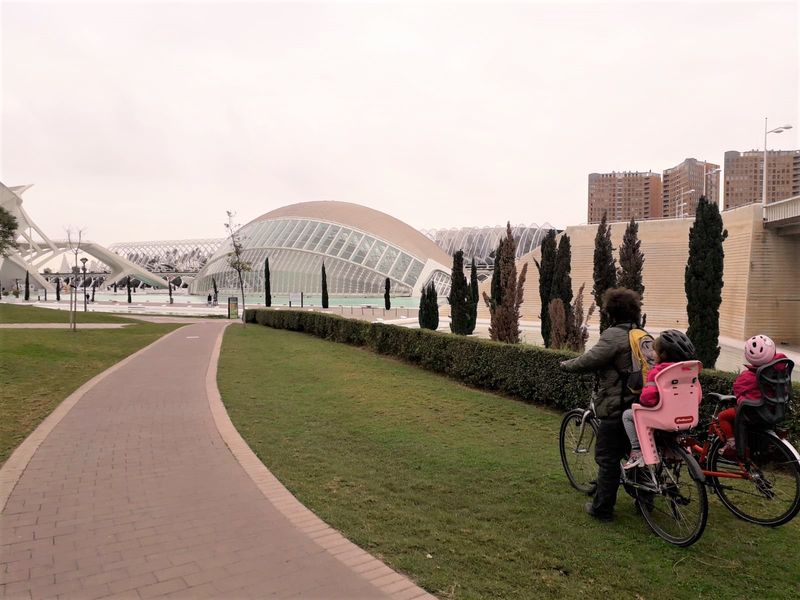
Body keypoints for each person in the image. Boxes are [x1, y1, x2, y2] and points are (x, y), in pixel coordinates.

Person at [559, 287, 643, 522]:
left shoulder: (613, 335)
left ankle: (602, 508)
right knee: (635, 453)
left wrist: (567, 365)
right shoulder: (641, 334)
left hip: (616, 406)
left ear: (611, 312)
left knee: (607, 458)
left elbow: (591, 359)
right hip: (640, 406)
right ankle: (644, 501)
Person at [622, 330, 696, 469]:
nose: (651, 354)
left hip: (662, 417)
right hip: (686, 418)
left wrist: (643, 401)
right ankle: (672, 450)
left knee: (628, 415)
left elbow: (648, 399)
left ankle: (637, 451)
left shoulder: (657, 372)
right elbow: (697, 397)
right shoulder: (689, 371)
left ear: (663, 355)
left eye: (655, 351)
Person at [717, 334, 788, 457]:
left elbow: (738, 391)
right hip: (773, 408)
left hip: (753, 412)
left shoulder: (748, 376)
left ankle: (732, 444)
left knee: (722, 416)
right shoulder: (778, 367)